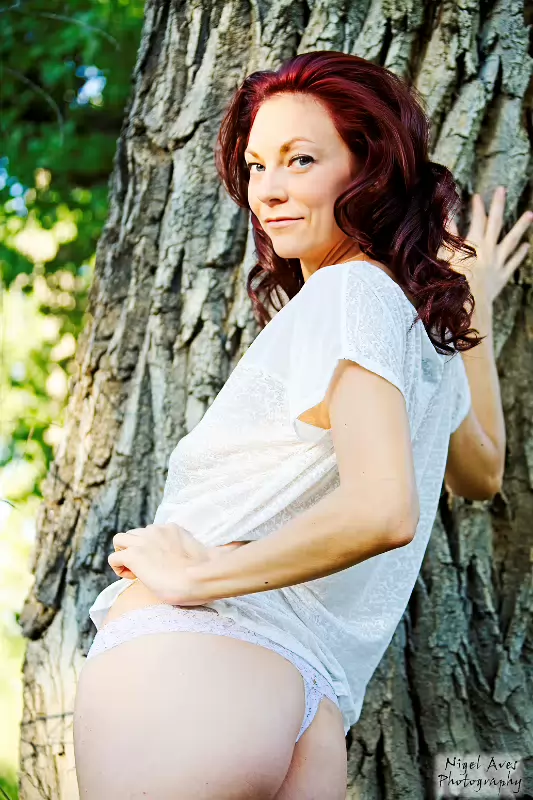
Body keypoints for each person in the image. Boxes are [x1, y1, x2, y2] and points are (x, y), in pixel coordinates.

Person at [73, 50, 531, 799]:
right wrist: (467, 296)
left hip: (203, 646)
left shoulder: (352, 294)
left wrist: (197, 575)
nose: (268, 189)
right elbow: (481, 471)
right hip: (310, 690)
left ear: (370, 171)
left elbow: (384, 511)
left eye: (301, 160)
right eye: (257, 166)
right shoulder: (404, 329)